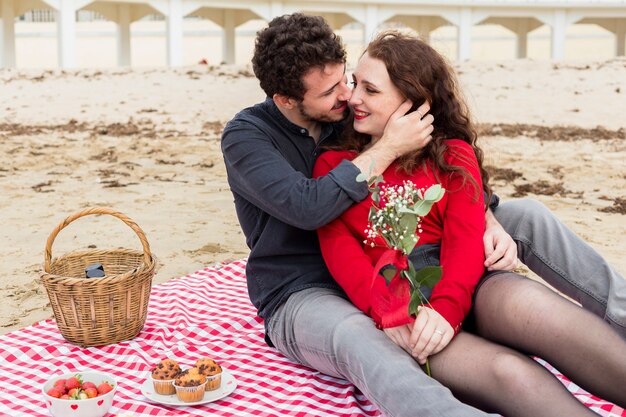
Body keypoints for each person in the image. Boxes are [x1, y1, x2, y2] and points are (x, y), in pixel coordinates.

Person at [221, 13, 625, 416]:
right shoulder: (248, 137)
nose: (347, 97)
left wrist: (486, 215)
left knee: (528, 217)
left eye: (348, 80)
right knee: (362, 337)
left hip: (414, 251)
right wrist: (389, 147)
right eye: (331, 92)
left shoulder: (349, 114)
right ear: (287, 100)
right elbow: (309, 207)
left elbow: (449, 168)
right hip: (307, 283)